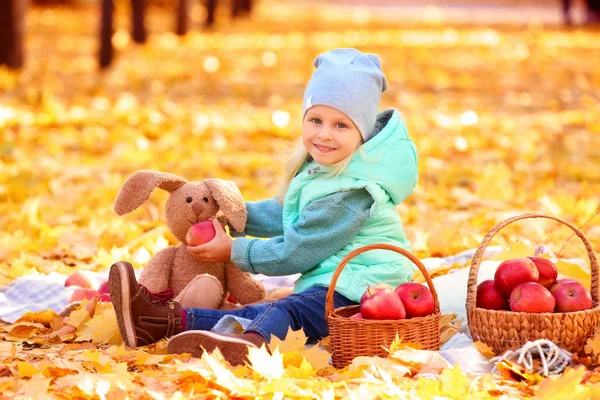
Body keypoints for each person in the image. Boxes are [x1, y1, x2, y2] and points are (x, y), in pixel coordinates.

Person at [109, 48, 419, 366]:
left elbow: (296, 252)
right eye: (316, 120)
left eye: (341, 125)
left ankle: (250, 345)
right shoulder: (325, 169)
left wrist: (233, 250)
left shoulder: (351, 194)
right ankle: (161, 321)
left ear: (362, 133)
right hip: (336, 282)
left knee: (284, 310)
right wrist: (232, 215)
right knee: (263, 311)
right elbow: (285, 214)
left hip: (362, 291)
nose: (324, 134)